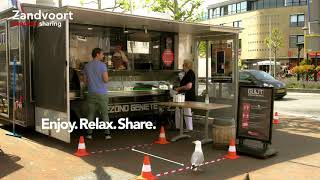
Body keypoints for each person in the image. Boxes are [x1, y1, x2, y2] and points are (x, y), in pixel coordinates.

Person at [83, 48, 111, 140]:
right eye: (102, 54)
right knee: (104, 114)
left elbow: (85, 81)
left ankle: (89, 134)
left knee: (91, 113)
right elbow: (106, 79)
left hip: (91, 92)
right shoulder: (102, 65)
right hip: (102, 93)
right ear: (97, 54)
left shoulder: (87, 66)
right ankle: (107, 134)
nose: (103, 56)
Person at [175, 60, 196, 131]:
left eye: (183, 65)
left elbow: (189, 86)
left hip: (187, 96)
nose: (182, 66)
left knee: (186, 111)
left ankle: (189, 128)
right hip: (183, 96)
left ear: (186, 66)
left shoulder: (190, 73)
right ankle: (179, 126)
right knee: (179, 110)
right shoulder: (186, 74)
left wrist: (179, 88)